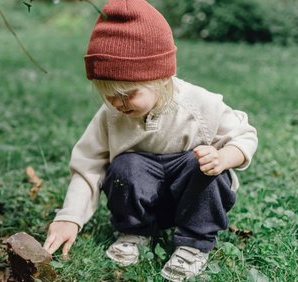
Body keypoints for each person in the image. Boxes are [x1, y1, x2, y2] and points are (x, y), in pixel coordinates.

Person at [42, 0, 258, 281]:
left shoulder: (199, 104)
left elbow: (245, 134)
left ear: (160, 77)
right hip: (143, 196)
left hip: (189, 195)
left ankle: (194, 244)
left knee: (204, 167)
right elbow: (88, 165)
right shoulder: (111, 115)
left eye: (128, 94)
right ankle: (135, 231)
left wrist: (225, 157)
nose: (119, 104)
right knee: (125, 166)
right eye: (109, 95)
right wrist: (69, 217)